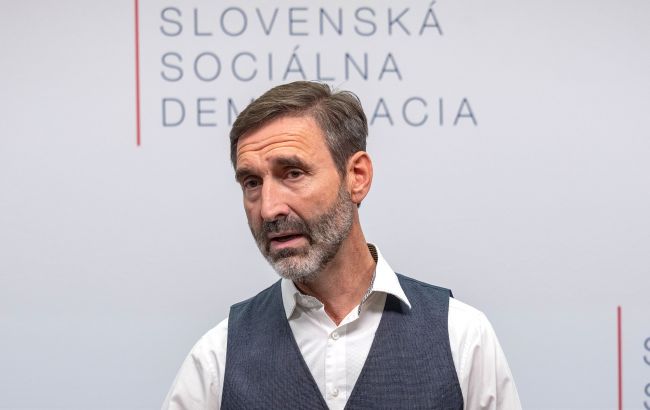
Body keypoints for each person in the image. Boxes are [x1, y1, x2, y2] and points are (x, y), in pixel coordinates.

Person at [162, 81, 521, 410]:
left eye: (293, 173)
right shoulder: (216, 359)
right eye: (252, 183)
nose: (269, 208)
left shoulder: (462, 337)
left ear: (357, 177)